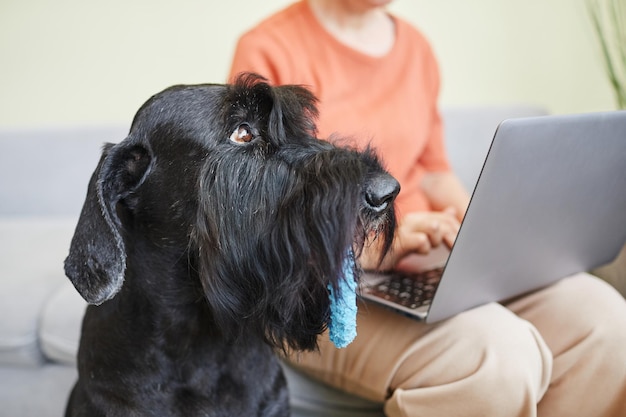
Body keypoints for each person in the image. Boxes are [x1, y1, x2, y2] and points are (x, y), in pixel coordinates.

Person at [228, 1, 626, 416]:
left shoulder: (416, 49)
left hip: (427, 262)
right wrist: (380, 245)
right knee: (495, 357)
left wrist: (486, 231)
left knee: (607, 324)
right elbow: (260, 216)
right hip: (327, 283)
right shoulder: (268, 48)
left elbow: (434, 172)